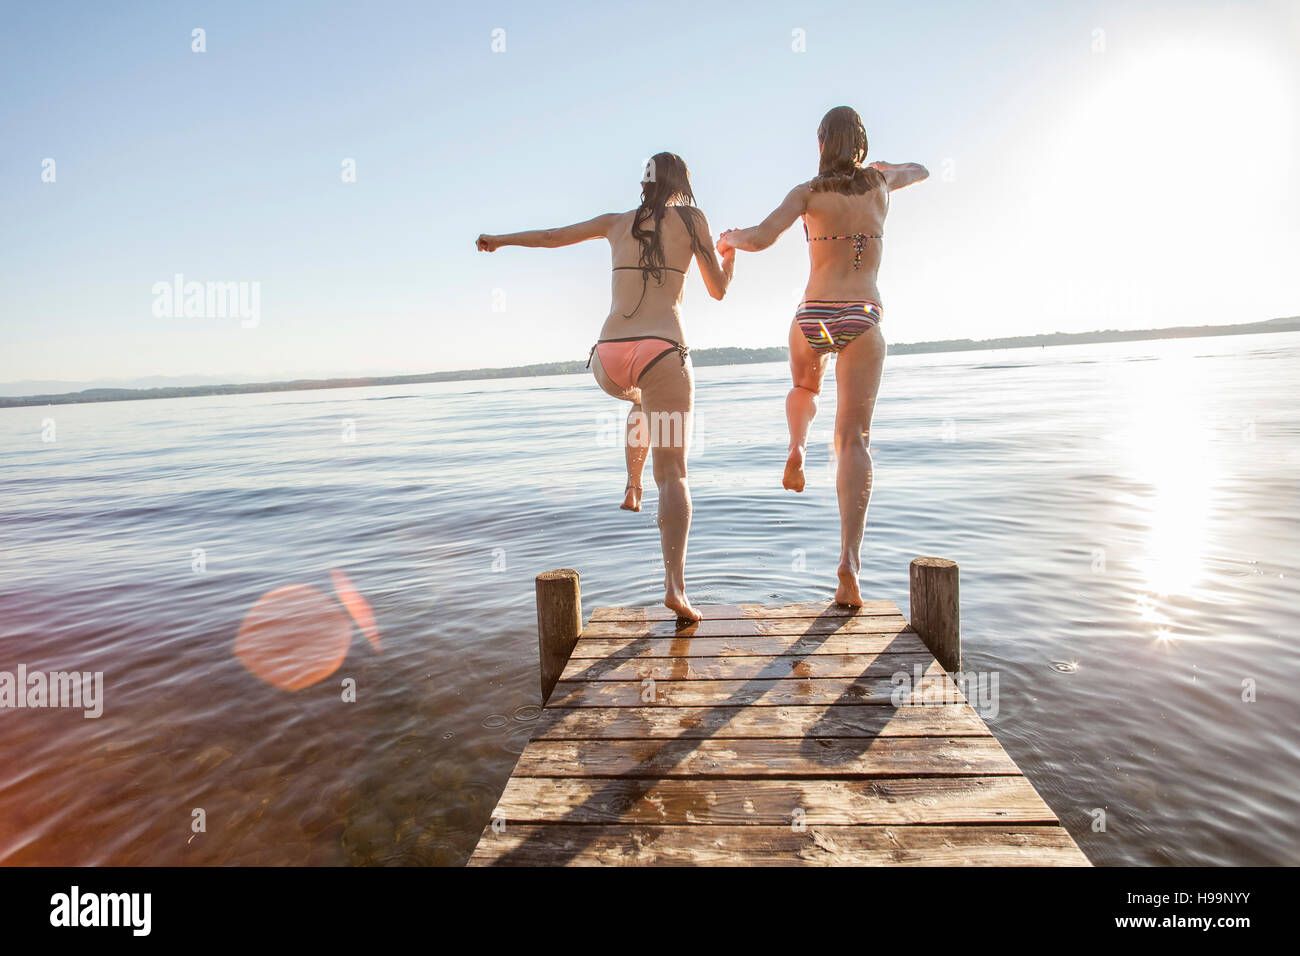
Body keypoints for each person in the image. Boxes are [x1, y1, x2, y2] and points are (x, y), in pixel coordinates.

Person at [477, 152, 733, 621]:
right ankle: (675, 586)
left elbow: (553, 237)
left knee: (641, 399)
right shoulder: (693, 219)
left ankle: (632, 485)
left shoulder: (616, 222)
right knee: (673, 472)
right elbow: (717, 289)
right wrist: (729, 256)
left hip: (609, 359)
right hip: (662, 353)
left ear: (645, 182)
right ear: (683, 184)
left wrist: (500, 241)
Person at [717, 107, 927, 605]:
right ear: (860, 144)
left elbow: (761, 238)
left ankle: (797, 446)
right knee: (853, 439)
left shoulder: (807, 192)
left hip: (813, 315)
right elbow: (920, 170)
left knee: (804, 388)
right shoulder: (881, 184)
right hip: (862, 316)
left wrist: (729, 241)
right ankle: (849, 565)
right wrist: (879, 166)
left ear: (819, 146)